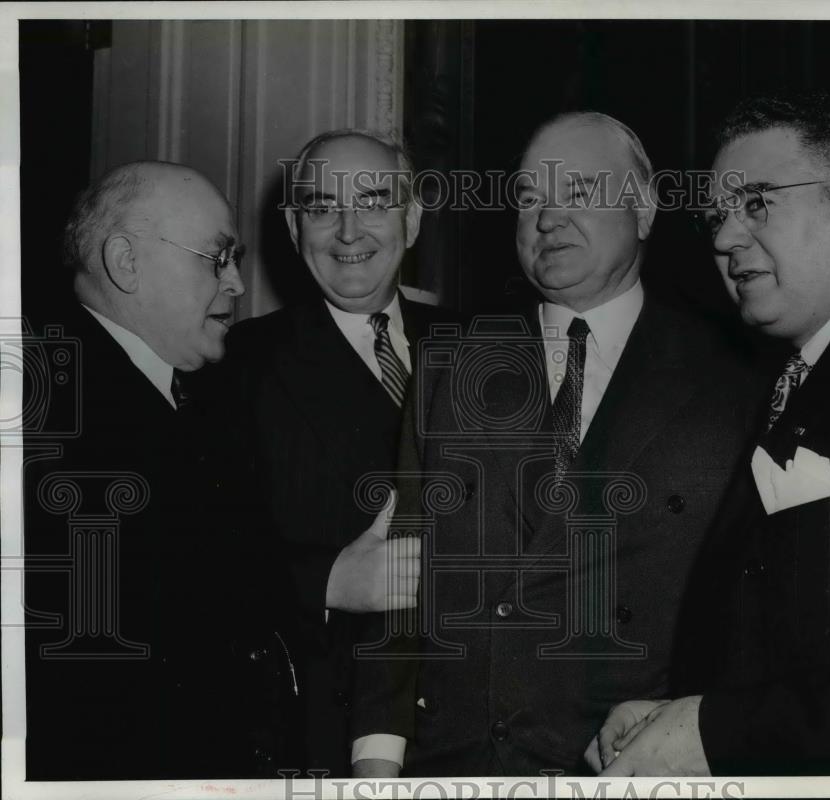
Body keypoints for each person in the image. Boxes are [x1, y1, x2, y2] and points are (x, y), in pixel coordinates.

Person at [354, 111, 761, 777]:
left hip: (630, 768)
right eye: (529, 198)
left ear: (645, 208)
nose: (547, 218)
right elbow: (394, 578)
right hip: (450, 768)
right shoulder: (446, 367)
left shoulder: (733, 380)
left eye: (577, 193)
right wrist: (376, 760)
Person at [587, 90, 830, 777]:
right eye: (716, 215)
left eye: (758, 202)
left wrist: (713, 732)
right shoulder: (796, 377)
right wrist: (675, 714)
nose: (724, 238)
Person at [23, 161, 303, 778]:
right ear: (125, 262)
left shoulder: (193, 398)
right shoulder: (44, 412)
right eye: (217, 257)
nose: (235, 283)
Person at [220, 129, 448, 776]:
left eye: (374, 201)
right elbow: (200, 558)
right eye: (322, 208)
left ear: (412, 217)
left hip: (474, 728)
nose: (349, 232)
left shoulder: (480, 343)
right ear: (294, 228)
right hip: (321, 737)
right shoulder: (240, 365)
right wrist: (326, 583)